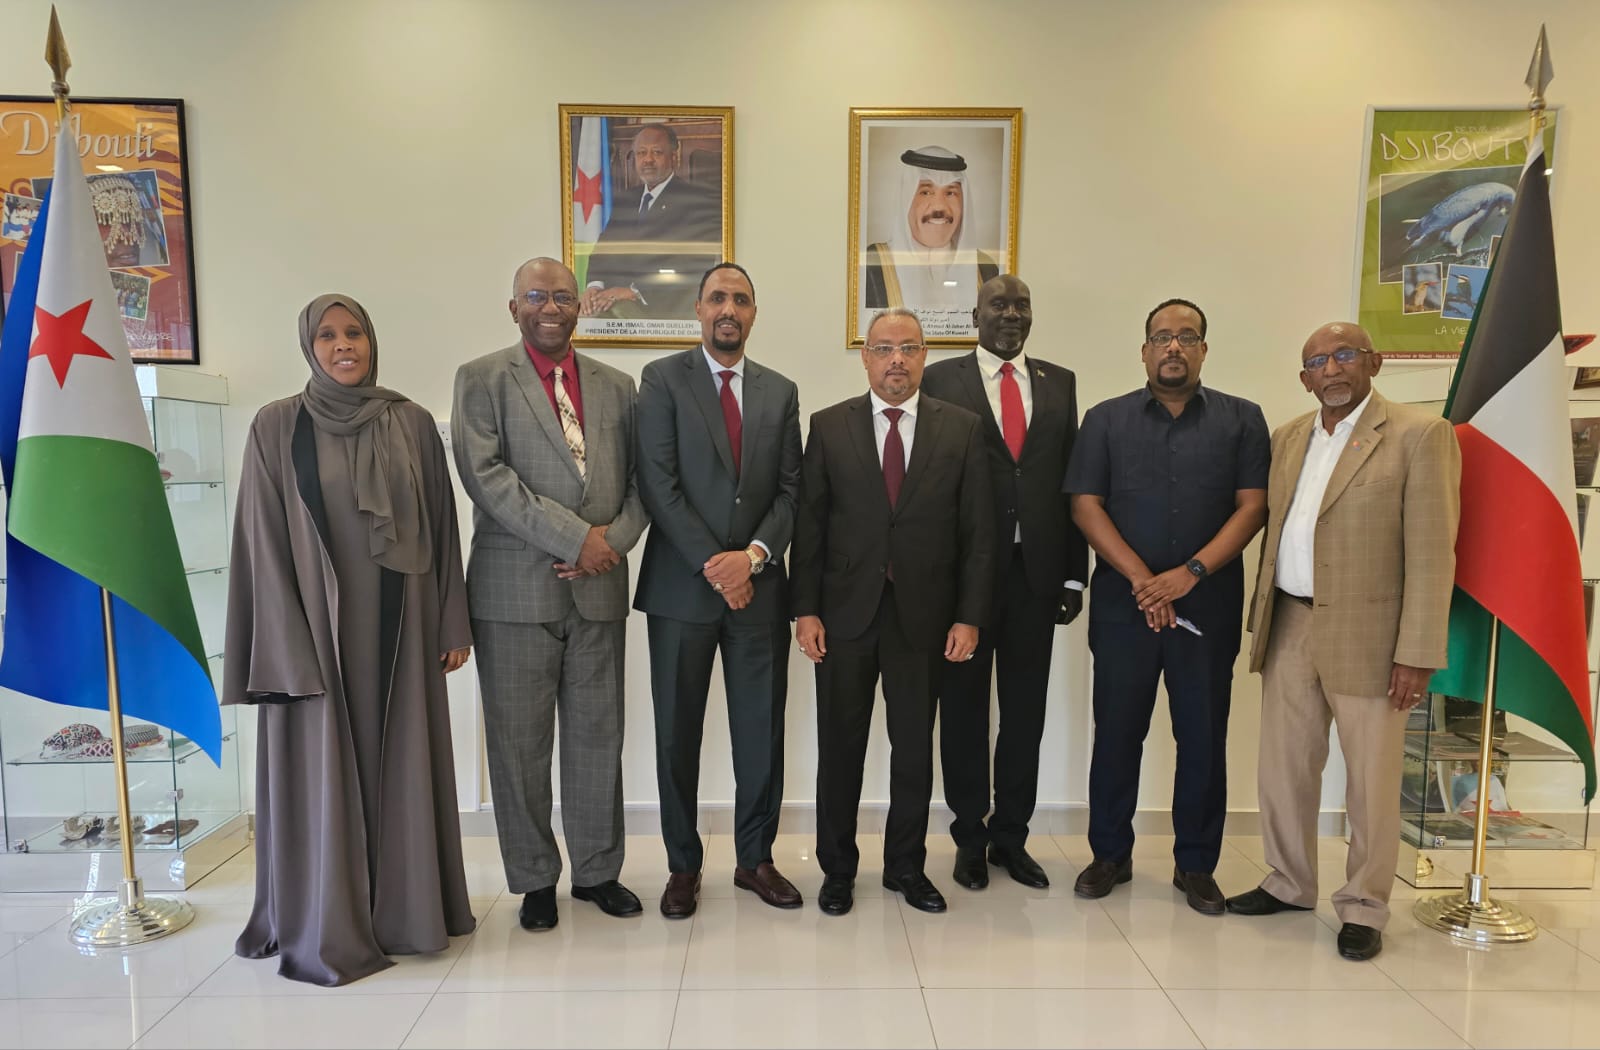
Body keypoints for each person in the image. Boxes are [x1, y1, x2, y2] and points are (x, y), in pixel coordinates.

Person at [224, 294, 475, 986]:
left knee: (401, 760)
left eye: (354, 333)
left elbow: (445, 529)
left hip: (401, 632)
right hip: (313, 639)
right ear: (309, 347)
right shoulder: (276, 425)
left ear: (371, 341)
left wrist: (452, 622)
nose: (344, 345)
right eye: (328, 336)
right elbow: (260, 538)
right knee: (324, 769)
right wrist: (281, 642)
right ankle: (324, 916)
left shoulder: (412, 422)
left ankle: (404, 916)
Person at [1225, 321, 1460, 962]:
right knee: (1284, 768)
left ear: (1372, 362)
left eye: (1344, 354)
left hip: (1373, 637)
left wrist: (1417, 652)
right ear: (1304, 378)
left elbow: (1433, 553)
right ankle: (1289, 882)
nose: (1331, 368)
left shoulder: (1420, 434)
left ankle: (1364, 906)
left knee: (1371, 782)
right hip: (1290, 623)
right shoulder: (1288, 437)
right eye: (1317, 361)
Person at [451, 257, 650, 932]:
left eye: (563, 296)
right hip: (512, 595)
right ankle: (535, 878)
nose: (550, 307)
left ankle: (598, 872)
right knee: (519, 746)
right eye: (535, 296)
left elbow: (643, 482)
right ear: (514, 308)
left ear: (579, 307)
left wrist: (610, 543)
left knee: (598, 739)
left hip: (600, 589)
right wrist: (574, 539)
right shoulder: (481, 379)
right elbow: (487, 479)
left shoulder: (618, 386)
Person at [1063, 298, 1269, 915]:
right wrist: (1144, 581)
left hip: (1207, 606)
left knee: (1202, 736)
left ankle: (1196, 864)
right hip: (1123, 609)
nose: (1173, 346)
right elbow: (1084, 505)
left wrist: (1189, 574)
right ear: (1144, 351)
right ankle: (1109, 854)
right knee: (1116, 734)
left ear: (1204, 349)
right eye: (1161, 337)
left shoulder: (1242, 419)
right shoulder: (1105, 420)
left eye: (1187, 337)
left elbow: (1253, 506)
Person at [792, 307, 995, 917]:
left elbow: (978, 533)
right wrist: (805, 610)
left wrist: (969, 616)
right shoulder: (829, 426)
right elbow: (810, 526)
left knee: (913, 751)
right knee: (840, 749)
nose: (897, 359)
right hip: (844, 617)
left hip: (924, 618)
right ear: (866, 357)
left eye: (909, 347)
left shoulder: (961, 429)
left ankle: (905, 866)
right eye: (884, 348)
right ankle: (837, 869)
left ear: (925, 356)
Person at [633, 262, 804, 918]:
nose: (728, 309)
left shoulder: (780, 391)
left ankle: (755, 859)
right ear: (699, 310)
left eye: (741, 299)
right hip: (681, 591)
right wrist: (716, 564)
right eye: (717, 298)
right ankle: (682, 866)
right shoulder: (661, 380)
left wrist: (752, 558)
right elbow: (658, 484)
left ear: (753, 313)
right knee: (677, 734)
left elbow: (790, 491)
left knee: (760, 731)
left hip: (759, 593)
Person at [920, 274, 1088, 891]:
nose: (1011, 314)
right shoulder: (940, 380)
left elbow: (1070, 482)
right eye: (999, 305)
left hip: (1035, 577)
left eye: (1021, 305)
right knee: (963, 713)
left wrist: (1074, 574)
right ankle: (969, 838)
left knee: (1024, 715)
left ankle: (1011, 838)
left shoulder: (1060, 382)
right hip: (963, 579)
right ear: (975, 316)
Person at [581, 123, 722, 321]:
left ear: (674, 157)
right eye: (641, 153)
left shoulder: (695, 202)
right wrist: (594, 287)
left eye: (656, 152)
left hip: (663, 312)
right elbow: (603, 250)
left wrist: (634, 291)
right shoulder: (625, 200)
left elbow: (690, 268)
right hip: (611, 305)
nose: (648, 159)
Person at [861, 146, 999, 337]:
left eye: (950, 193)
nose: (939, 207)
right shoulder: (873, 265)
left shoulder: (985, 269)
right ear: (906, 199)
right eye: (926, 192)